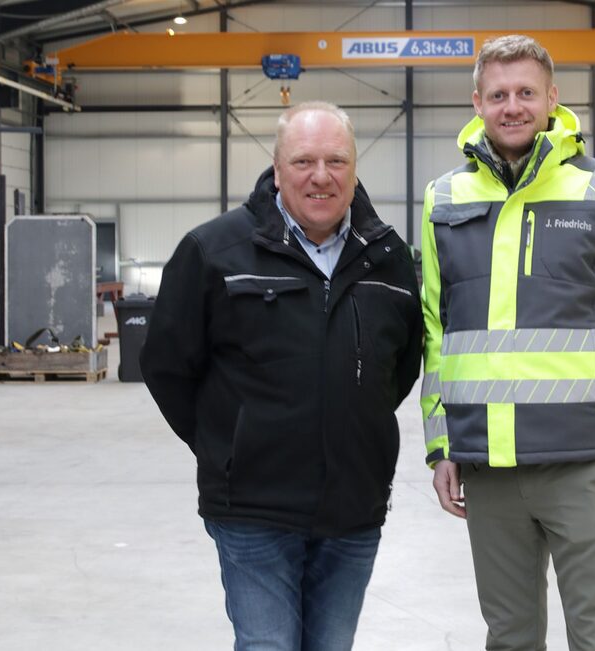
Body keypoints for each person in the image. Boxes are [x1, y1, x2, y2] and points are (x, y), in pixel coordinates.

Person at [419, 35, 595, 650]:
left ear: (553, 99)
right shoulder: (444, 200)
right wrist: (442, 447)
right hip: (487, 466)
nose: (513, 106)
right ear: (477, 102)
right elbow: (437, 333)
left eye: (526, 93)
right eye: (499, 94)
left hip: (583, 462)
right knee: (508, 635)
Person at [141, 101, 423, 651]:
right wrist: (229, 442)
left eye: (337, 161)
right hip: (253, 508)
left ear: (355, 168)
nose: (322, 176)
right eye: (304, 161)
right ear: (276, 168)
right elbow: (167, 365)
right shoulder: (214, 250)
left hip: (354, 506)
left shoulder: (388, 257)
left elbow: (401, 366)